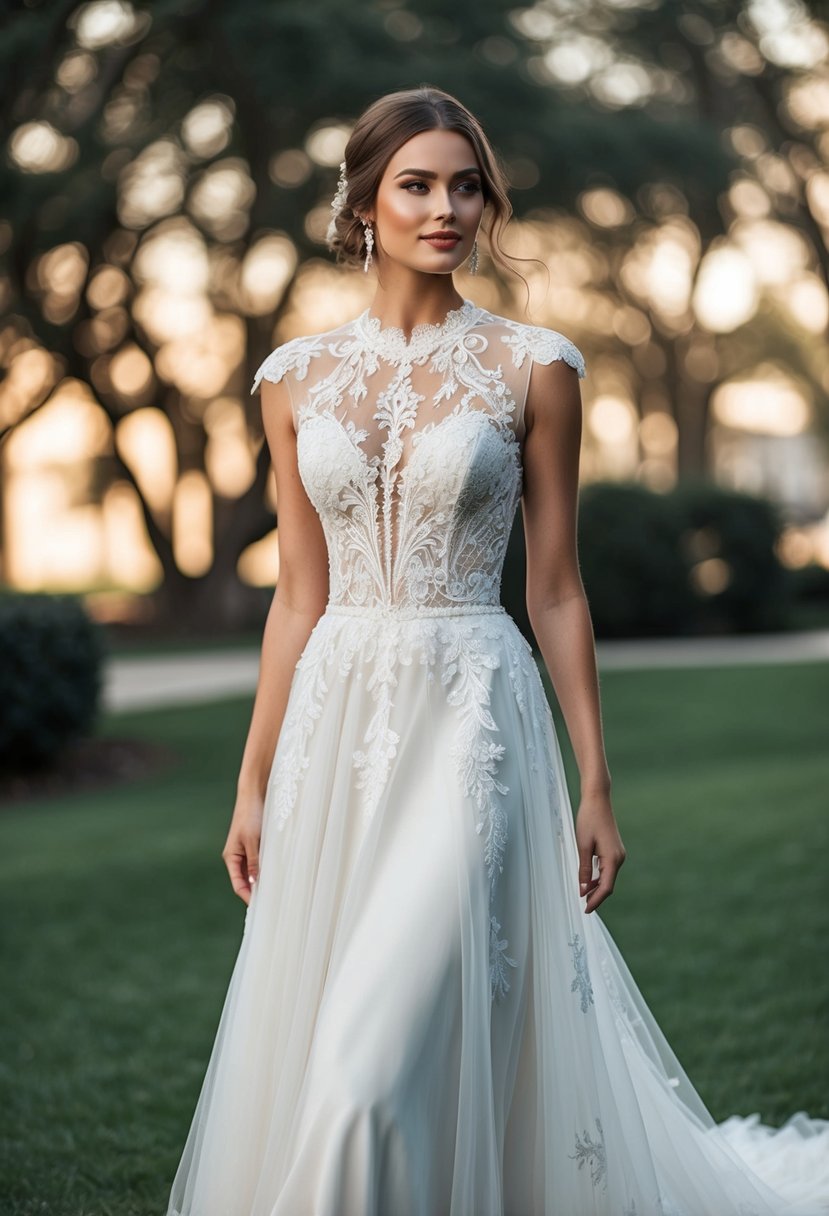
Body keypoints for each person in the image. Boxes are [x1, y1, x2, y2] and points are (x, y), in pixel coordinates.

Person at [165, 85, 829, 1216]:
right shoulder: (291, 379)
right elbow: (295, 598)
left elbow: (556, 588)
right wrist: (251, 776)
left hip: (473, 724)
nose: (446, 208)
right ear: (363, 201)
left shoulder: (535, 367)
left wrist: (596, 777)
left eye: (465, 184)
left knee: (368, 1076)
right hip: (335, 731)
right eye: (417, 184)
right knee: (365, 1050)